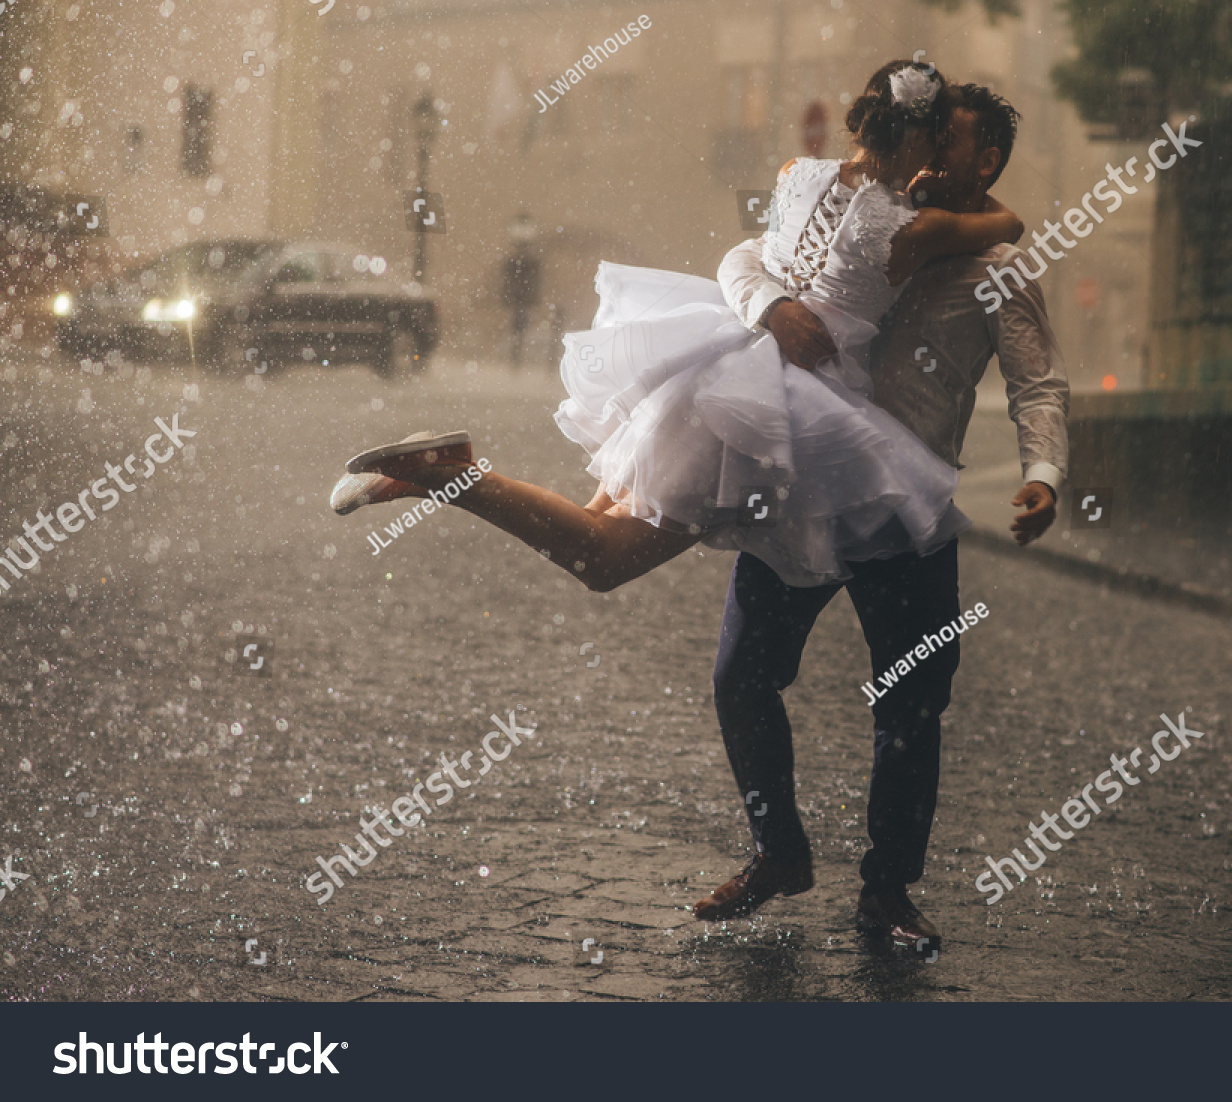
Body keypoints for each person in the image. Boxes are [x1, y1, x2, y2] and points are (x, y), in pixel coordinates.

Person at [329, 61, 1025, 599]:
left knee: (594, 530)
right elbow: (1006, 224)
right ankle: (445, 475)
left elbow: (756, 252)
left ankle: (442, 473)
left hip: (714, 356)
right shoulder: (914, 228)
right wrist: (938, 187)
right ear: (922, 139)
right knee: (604, 556)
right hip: (772, 400)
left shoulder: (797, 173)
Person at [692, 82, 1070, 949]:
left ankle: (887, 893)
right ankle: (778, 852)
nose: (929, 161)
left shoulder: (998, 270)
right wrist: (772, 307)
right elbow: (751, 254)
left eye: (952, 146)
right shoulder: (871, 213)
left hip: (906, 517)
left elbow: (1038, 381)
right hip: (811, 490)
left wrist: (1042, 473)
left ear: (986, 164)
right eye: (926, 141)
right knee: (741, 675)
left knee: (911, 703)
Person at [500, 212, 542, 367]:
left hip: (521, 300)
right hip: (520, 300)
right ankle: (515, 362)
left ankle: (515, 362)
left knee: (519, 327)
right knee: (519, 326)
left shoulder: (527, 264)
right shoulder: (520, 264)